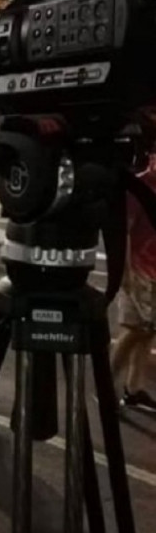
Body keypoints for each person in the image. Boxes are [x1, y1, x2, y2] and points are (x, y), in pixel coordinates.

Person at [110, 156, 156, 410]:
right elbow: (123, 231)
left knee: (149, 331)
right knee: (133, 328)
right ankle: (107, 385)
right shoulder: (139, 187)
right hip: (138, 267)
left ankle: (134, 389)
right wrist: (125, 273)